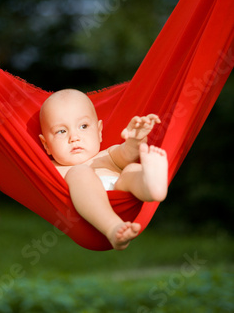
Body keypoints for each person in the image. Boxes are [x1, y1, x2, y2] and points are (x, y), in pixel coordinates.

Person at [39, 88, 168, 250]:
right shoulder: (49, 169)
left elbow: (128, 154)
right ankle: (113, 227)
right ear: (46, 145)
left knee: (131, 169)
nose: (74, 137)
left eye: (83, 126)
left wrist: (136, 140)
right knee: (79, 172)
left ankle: (152, 186)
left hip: (120, 191)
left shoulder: (107, 155)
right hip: (89, 206)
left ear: (99, 131)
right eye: (62, 131)